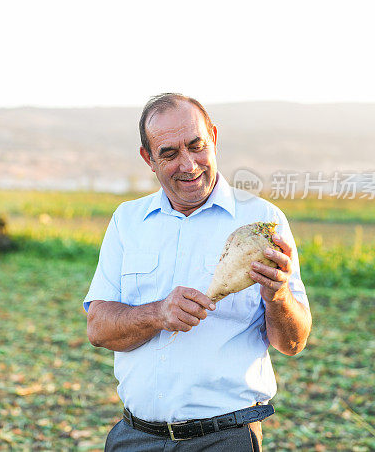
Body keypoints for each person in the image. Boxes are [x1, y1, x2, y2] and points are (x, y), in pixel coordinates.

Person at [84, 94, 312, 451]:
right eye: (170, 153)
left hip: (225, 438)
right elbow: (98, 328)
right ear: (148, 158)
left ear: (214, 138)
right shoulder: (127, 221)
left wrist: (278, 296)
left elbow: (293, 343)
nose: (189, 165)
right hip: (135, 437)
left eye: (196, 146)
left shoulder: (263, 221)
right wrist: (157, 313)